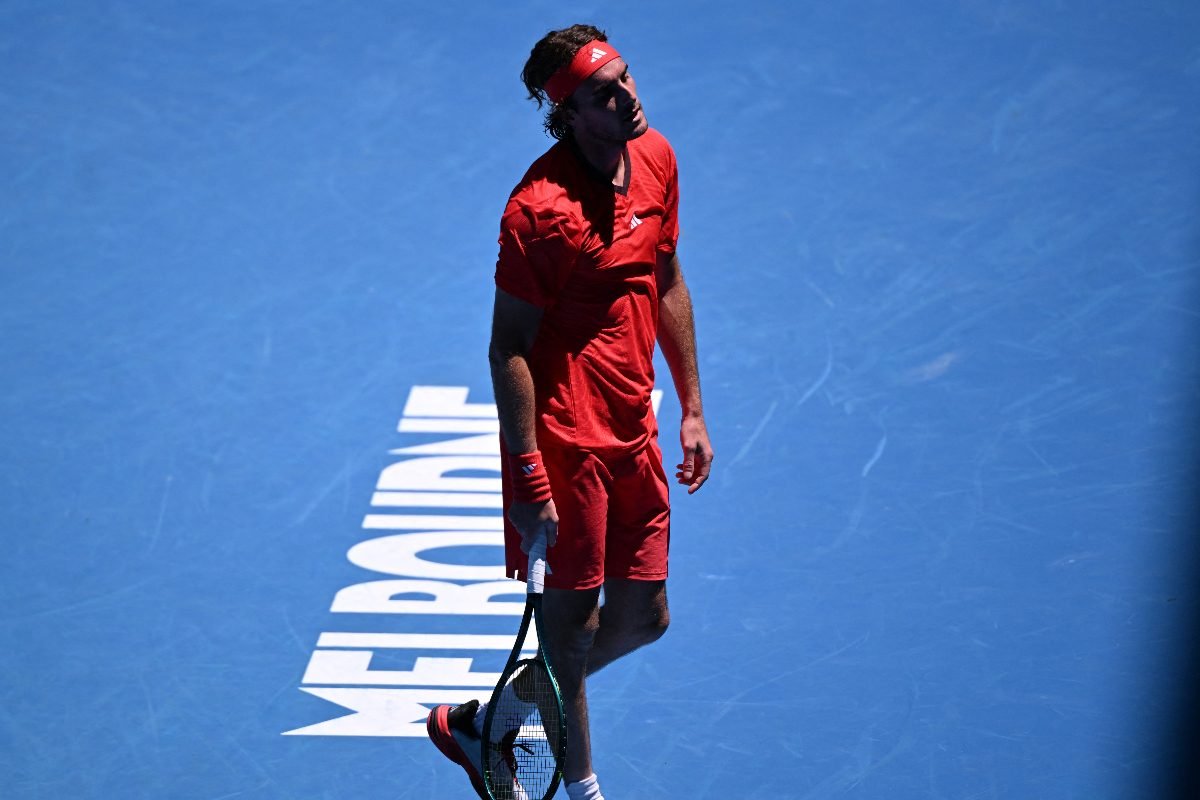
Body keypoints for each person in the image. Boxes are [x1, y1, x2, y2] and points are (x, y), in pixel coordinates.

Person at [427, 24, 713, 800]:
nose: (627, 96)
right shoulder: (537, 212)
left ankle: (494, 717)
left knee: (646, 617)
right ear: (569, 114)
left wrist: (690, 405)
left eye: (624, 78)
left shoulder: (657, 158)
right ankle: (583, 790)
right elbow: (507, 348)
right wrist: (526, 473)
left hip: (635, 426)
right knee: (572, 632)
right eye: (603, 93)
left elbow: (669, 281)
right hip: (563, 443)